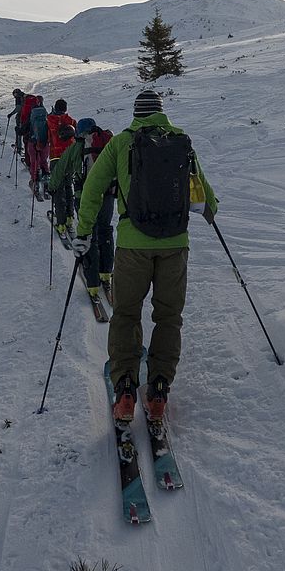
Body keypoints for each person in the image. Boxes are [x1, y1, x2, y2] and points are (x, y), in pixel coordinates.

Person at [73, 90, 217, 424]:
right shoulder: (182, 141)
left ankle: (125, 388)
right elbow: (206, 198)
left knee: (125, 314)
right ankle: (159, 391)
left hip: (133, 245)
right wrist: (210, 212)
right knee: (168, 317)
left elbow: (93, 189)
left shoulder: (122, 143)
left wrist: (83, 233)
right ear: (161, 113)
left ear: (136, 114)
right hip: (175, 245)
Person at [48, 117, 115, 303]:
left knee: (88, 236)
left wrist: (52, 187)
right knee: (105, 231)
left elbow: (60, 170)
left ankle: (93, 284)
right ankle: (106, 274)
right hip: (108, 197)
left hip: (84, 198)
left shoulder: (76, 148)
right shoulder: (107, 144)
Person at [26, 96, 50, 198]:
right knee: (44, 162)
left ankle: (35, 183)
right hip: (45, 144)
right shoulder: (45, 114)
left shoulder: (31, 115)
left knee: (34, 163)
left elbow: (24, 128)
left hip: (33, 143)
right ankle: (46, 184)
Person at [6, 88, 26, 154]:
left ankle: (19, 147)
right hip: (27, 117)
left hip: (20, 117)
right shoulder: (25, 96)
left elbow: (18, 108)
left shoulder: (18, 98)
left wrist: (11, 114)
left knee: (19, 131)